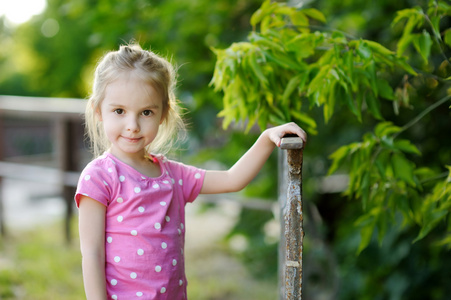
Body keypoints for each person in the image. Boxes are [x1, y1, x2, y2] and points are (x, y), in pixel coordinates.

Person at [75, 43, 306, 300]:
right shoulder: (99, 177)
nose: (133, 126)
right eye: (119, 111)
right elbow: (92, 254)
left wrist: (265, 138)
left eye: (146, 112)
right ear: (98, 111)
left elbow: (232, 179)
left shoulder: (173, 175)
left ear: (163, 114)